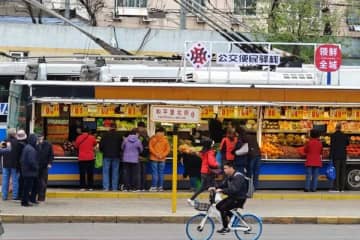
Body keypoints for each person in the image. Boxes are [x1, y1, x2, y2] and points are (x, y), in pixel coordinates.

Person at [212, 161, 248, 234]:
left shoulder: (238, 176)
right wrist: (214, 188)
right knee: (218, 206)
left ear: (231, 168)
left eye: (225, 168)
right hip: (233, 197)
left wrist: (222, 191)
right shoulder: (229, 176)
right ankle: (235, 220)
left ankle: (225, 227)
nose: (224, 170)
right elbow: (223, 184)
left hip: (239, 198)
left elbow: (234, 189)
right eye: (224, 168)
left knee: (223, 208)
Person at [188, 138, 219, 205]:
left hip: (204, 171)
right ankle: (213, 202)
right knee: (213, 187)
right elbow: (211, 163)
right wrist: (217, 165)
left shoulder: (204, 151)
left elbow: (201, 157)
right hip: (209, 172)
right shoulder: (210, 152)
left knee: (203, 187)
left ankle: (191, 199)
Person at [99, 124, 122, 191]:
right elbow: (121, 146)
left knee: (106, 172)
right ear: (116, 128)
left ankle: (106, 187)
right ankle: (114, 188)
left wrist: (103, 150)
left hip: (106, 155)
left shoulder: (105, 135)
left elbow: (101, 146)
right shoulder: (119, 135)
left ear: (109, 128)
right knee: (115, 172)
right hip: (116, 156)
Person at [20, 134, 39, 207]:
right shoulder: (31, 149)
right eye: (36, 140)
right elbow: (32, 161)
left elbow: (22, 159)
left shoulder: (27, 147)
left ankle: (30, 200)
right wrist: (36, 167)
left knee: (29, 187)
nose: (37, 142)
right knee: (27, 188)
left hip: (26, 171)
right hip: (30, 172)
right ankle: (25, 202)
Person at [148, 127, 170, 192]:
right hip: (162, 159)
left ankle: (154, 187)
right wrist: (162, 155)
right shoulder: (165, 140)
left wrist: (156, 154)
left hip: (154, 158)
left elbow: (150, 148)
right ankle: (160, 187)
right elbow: (168, 149)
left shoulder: (153, 139)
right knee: (161, 173)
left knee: (155, 173)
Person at [330, 123, 349, 192]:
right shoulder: (344, 135)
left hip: (336, 156)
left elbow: (332, 146)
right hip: (343, 156)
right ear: (341, 128)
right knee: (343, 172)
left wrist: (330, 156)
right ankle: (342, 188)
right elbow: (347, 143)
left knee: (337, 172)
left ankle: (337, 188)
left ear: (336, 128)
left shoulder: (333, 135)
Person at [1, 128, 19, 201]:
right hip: (14, 164)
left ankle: (4, 196)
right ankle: (15, 196)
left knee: (5, 180)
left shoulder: (4, 141)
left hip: (5, 164)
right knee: (15, 180)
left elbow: (1, 152)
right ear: (14, 134)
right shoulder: (17, 142)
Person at [37, 134, 54, 202]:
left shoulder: (48, 144)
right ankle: (37, 196)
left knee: (43, 182)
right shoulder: (35, 144)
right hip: (36, 166)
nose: (39, 138)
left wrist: (49, 163)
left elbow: (51, 155)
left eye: (40, 137)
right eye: (38, 137)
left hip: (44, 166)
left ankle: (42, 197)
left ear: (43, 137)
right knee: (37, 182)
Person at [137, 121, 150, 191]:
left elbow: (138, 146)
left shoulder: (139, 136)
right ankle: (143, 187)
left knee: (139, 173)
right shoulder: (147, 136)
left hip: (139, 157)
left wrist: (138, 155)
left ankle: (139, 187)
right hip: (145, 157)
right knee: (144, 173)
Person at [16, 129, 28, 200]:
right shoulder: (25, 145)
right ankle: (19, 195)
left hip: (8, 164)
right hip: (22, 165)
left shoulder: (6, 141)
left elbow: (2, 150)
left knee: (17, 180)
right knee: (21, 180)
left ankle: (16, 195)